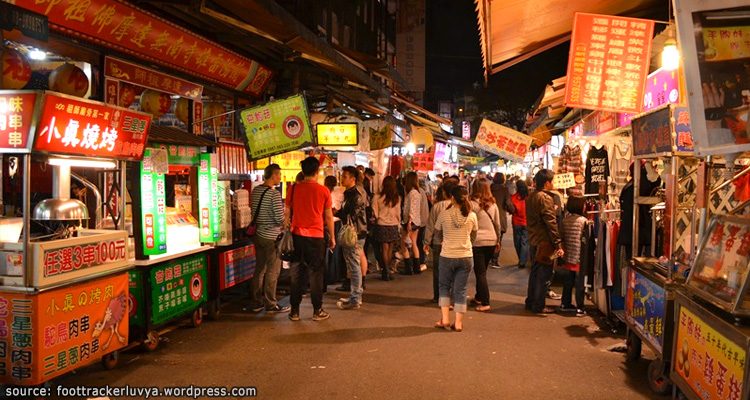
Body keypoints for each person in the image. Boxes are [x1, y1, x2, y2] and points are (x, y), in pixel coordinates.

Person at [285, 157, 335, 321]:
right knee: (316, 275)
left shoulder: (292, 189)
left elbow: (287, 214)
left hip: (297, 237)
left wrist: (288, 228)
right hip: (316, 238)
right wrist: (333, 237)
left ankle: (294, 311)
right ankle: (317, 310)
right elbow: (328, 217)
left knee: (296, 274)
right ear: (316, 171)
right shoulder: (323, 191)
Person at [433, 186, 477, 332]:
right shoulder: (472, 216)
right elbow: (473, 236)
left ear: (452, 198)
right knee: (461, 290)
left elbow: (437, 235)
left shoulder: (443, 215)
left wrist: (446, 240)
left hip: (447, 256)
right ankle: (458, 323)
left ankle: (445, 319)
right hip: (465, 256)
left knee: (444, 287)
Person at [248, 164, 290, 314]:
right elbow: (279, 218)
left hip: (258, 235)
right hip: (272, 237)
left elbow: (254, 212)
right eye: (279, 175)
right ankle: (271, 303)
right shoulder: (274, 194)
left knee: (259, 269)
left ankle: (256, 302)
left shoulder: (255, 190)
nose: (280, 178)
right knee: (273, 270)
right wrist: (286, 216)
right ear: (273, 176)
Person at [525, 169, 564, 314]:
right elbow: (551, 223)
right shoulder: (545, 198)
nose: (554, 183)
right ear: (547, 183)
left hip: (534, 240)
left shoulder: (531, 196)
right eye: (552, 181)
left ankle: (530, 301)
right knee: (543, 274)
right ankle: (538, 305)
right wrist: (558, 243)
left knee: (535, 273)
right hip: (544, 242)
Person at [336, 166, 369, 310]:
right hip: (356, 232)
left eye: (344, 176)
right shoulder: (351, 192)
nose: (342, 178)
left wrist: (337, 212)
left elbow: (351, 213)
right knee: (353, 265)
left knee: (354, 266)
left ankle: (356, 298)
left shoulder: (355, 194)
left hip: (355, 233)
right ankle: (354, 295)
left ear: (353, 179)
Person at [470, 179, 501, 312]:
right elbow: (497, 224)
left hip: (477, 241)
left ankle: (485, 302)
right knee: (482, 271)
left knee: (480, 272)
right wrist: (498, 240)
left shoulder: (471, 204)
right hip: (491, 240)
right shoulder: (492, 204)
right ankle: (478, 296)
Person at [424, 179, 457, 302]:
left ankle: (438, 296)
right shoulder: (459, 207)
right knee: (453, 271)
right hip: (455, 242)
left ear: (444, 192)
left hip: (438, 243)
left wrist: (426, 242)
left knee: (438, 271)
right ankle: (451, 296)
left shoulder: (437, 207)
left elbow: (430, 226)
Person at [559, 196, 588, 317]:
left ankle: (565, 304)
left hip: (568, 255)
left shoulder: (565, 220)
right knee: (579, 283)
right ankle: (580, 307)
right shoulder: (583, 221)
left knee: (568, 281)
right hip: (578, 256)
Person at [372, 176, 402, 281]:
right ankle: (387, 270)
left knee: (384, 248)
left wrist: (378, 218)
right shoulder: (397, 198)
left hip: (381, 224)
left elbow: (375, 212)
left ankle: (385, 271)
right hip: (393, 224)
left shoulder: (377, 197)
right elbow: (398, 213)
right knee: (390, 248)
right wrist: (398, 223)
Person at [402, 172, 427, 275]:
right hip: (417, 221)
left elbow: (411, 208)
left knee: (404, 245)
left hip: (410, 221)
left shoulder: (412, 193)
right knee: (414, 243)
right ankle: (416, 267)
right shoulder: (417, 192)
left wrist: (409, 222)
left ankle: (408, 269)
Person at [510, 180, 530, 269]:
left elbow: (511, 209)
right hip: (527, 222)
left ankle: (521, 259)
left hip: (516, 222)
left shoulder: (513, 197)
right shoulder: (529, 197)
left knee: (517, 242)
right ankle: (522, 261)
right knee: (525, 242)